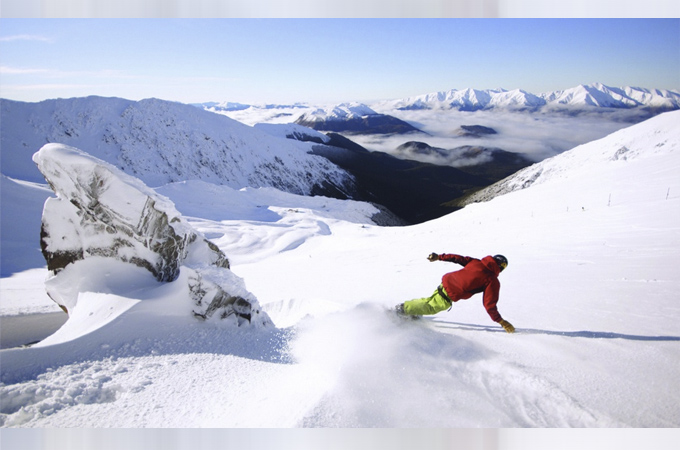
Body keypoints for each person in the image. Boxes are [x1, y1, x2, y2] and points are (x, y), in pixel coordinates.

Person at [396, 253, 515, 333]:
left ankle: (412, 310)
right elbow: (489, 305)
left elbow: (458, 258)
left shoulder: (477, 262)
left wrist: (439, 257)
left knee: (431, 300)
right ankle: (402, 309)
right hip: (452, 292)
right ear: (500, 267)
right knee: (432, 307)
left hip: (446, 281)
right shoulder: (492, 280)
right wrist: (501, 321)